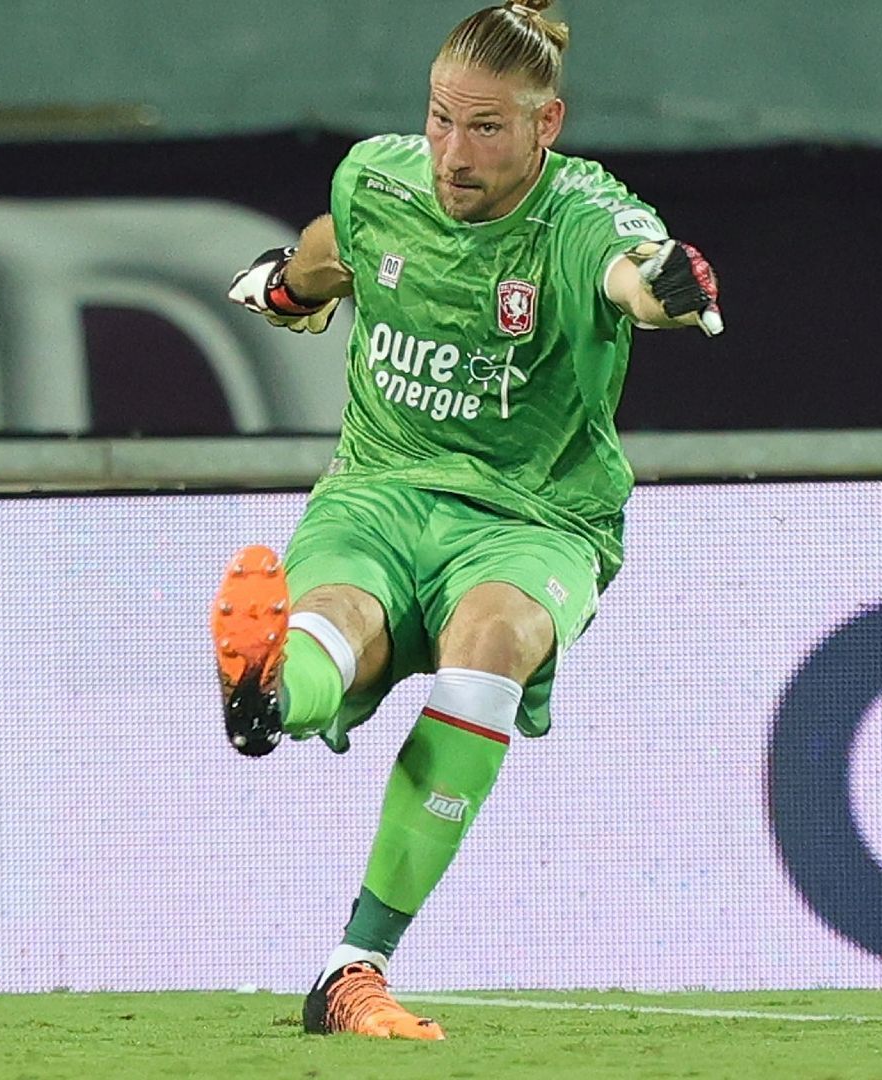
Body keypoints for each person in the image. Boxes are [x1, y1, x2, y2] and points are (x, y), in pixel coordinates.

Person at [216, 0, 723, 1042]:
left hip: (533, 519)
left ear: (547, 125)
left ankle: (352, 970)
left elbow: (635, 279)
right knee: (334, 624)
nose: (454, 151)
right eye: (442, 119)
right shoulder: (380, 179)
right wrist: (286, 290)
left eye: (487, 127)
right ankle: (269, 690)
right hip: (378, 493)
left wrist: (668, 288)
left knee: (489, 636)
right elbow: (331, 244)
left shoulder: (582, 214)